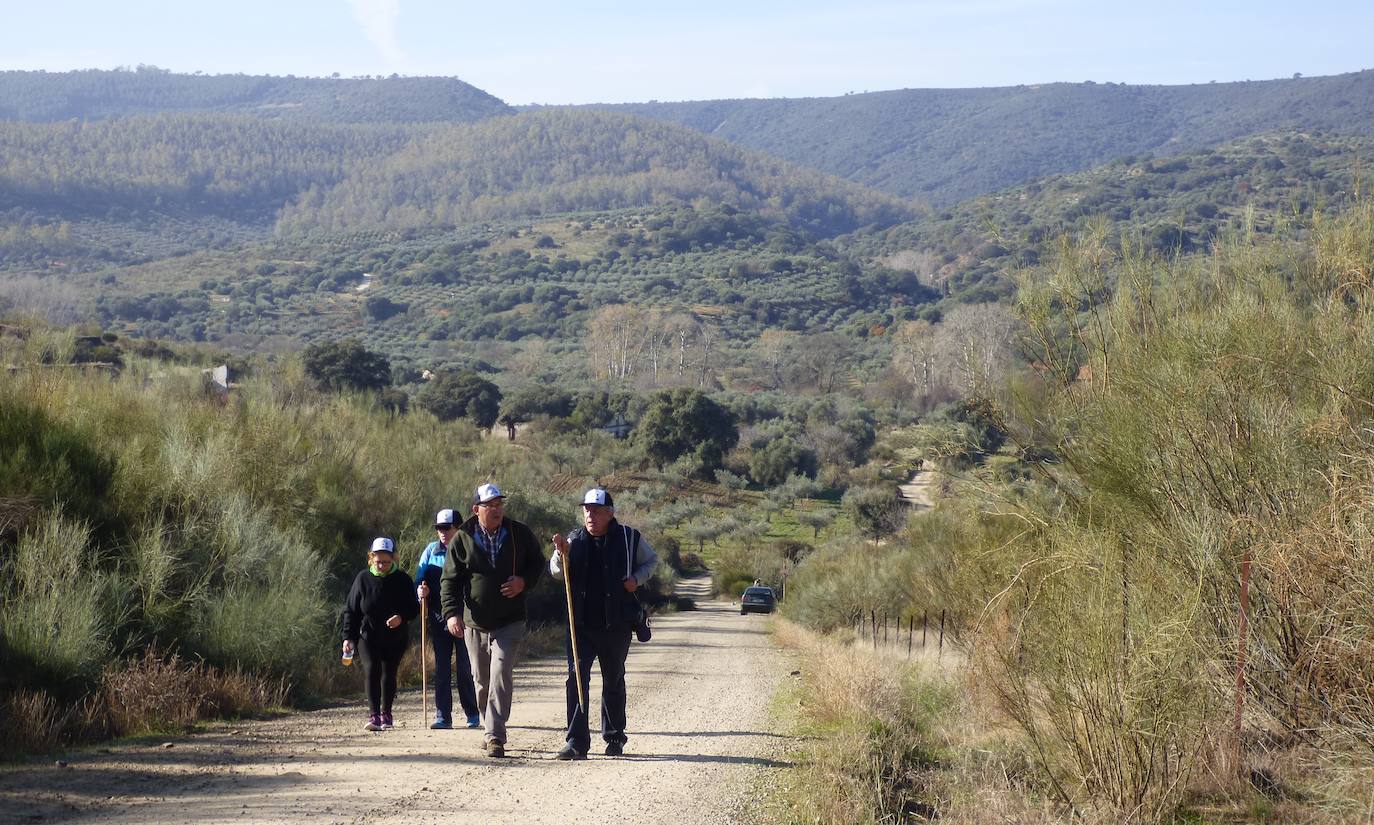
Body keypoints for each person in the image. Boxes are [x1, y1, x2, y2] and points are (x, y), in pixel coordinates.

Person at [550, 488, 658, 760]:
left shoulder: (628, 537)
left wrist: (637, 578)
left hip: (617, 624)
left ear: (610, 513)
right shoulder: (573, 540)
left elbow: (651, 560)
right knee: (576, 678)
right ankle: (576, 742)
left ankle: (614, 738)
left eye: (596, 511)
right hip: (580, 626)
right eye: (587, 510)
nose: (590, 515)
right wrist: (560, 555)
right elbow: (554, 570)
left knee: (613, 679)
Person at [440, 483, 546, 758]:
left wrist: (523, 582)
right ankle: (489, 724)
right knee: (481, 680)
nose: (497, 509)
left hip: (510, 620)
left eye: (500, 504)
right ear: (477, 510)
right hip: (474, 623)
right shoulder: (462, 538)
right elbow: (449, 581)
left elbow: (538, 563)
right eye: (491, 505)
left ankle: (495, 735)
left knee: (501, 673)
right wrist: (451, 614)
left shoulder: (519, 533)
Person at [341, 537, 419, 732]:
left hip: (396, 637)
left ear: (394, 559)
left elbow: (413, 608)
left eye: (386, 561)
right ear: (371, 558)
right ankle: (374, 715)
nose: (382, 565)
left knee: (389, 672)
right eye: (378, 561)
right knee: (372, 669)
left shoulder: (402, 579)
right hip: (368, 636)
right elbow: (351, 610)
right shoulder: (362, 579)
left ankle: (387, 713)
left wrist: (401, 617)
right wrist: (348, 637)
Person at [415, 508, 481, 730]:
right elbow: (420, 579)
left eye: (447, 528)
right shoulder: (429, 552)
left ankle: (472, 714)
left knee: (465, 666)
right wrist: (420, 592)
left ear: (459, 528)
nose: (442, 532)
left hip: (466, 617)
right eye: (439, 528)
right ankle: (443, 716)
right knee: (442, 667)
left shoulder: (469, 549)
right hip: (438, 617)